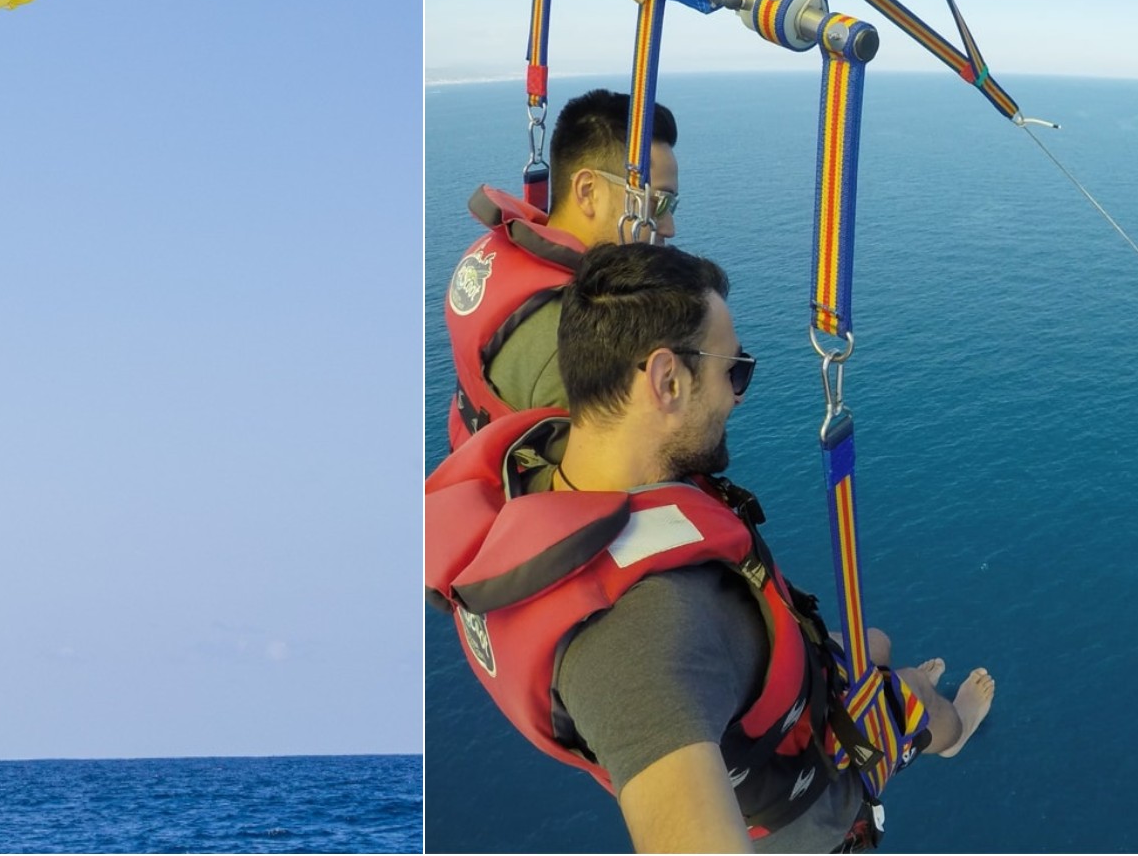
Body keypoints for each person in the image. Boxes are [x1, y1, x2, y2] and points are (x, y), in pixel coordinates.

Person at [425, 242, 995, 854]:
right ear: (667, 381)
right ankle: (950, 725)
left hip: (769, 702)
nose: (740, 394)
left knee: (867, 645)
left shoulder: (552, 460)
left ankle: (871, 668)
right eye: (735, 369)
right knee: (909, 694)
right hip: (807, 803)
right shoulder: (641, 641)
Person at [444, 88, 681, 449]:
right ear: (588, 191)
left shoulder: (488, 255)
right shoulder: (582, 336)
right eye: (657, 203)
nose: (668, 229)